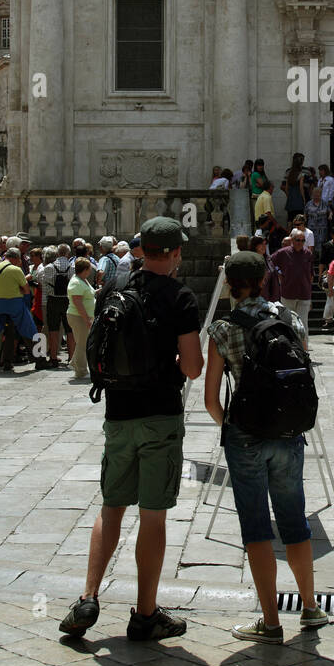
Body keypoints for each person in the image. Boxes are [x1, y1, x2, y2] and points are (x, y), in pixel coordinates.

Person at [59, 217, 203, 642]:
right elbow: (193, 366)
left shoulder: (114, 291)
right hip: (159, 413)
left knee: (111, 506)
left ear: (141, 251)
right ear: (175, 253)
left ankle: (88, 596)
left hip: (117, 413)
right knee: (152, 515)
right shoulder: (181, 297)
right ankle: (144, 613)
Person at [204, 251, 328, 644]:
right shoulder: (288, 319)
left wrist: (235, 426)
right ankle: (309, 607)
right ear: (263, 281)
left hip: (246, 436)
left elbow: (210, 400)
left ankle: (271, 621)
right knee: (295, 519)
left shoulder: (222, 329)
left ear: (230, 285)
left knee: (256, 526)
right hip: (289, 431)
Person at [0, 248, 36, 371]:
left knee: (5, 332)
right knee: (30, 328)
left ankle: (7, 361)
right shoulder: (15, 270)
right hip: (14, 303)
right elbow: (26, 289)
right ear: (16, 258)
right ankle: (40, 358)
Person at [271, 230, 313, 341]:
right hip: (288, 293)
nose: (300, 242)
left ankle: (304, 351)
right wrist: (279, 272)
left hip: (304, 294)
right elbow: (270, 262)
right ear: (292, 240)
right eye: (298, 240)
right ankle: (290, 348)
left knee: (303, 323)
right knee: (288, 323)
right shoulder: (283, 253)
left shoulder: (308, 254)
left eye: (303, 240)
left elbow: (311, 274)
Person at [42, 244, 74, 369]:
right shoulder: (73, 267)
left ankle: (53, 357)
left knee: (53, 329)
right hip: (67, 300)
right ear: (68, 254)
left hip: (53, 300)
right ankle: (71, 357)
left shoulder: (49, 267)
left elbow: (45, 287)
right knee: (70, 330)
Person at [66, 257, 96, 380]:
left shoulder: (82, 280)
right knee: (82, 344)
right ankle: (80, 371)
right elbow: (78, 302)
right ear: (85, 269)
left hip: (82, 316)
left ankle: (75, 364)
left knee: (82, 342)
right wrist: (87, 319)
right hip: (78, 317)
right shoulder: (77, 282)